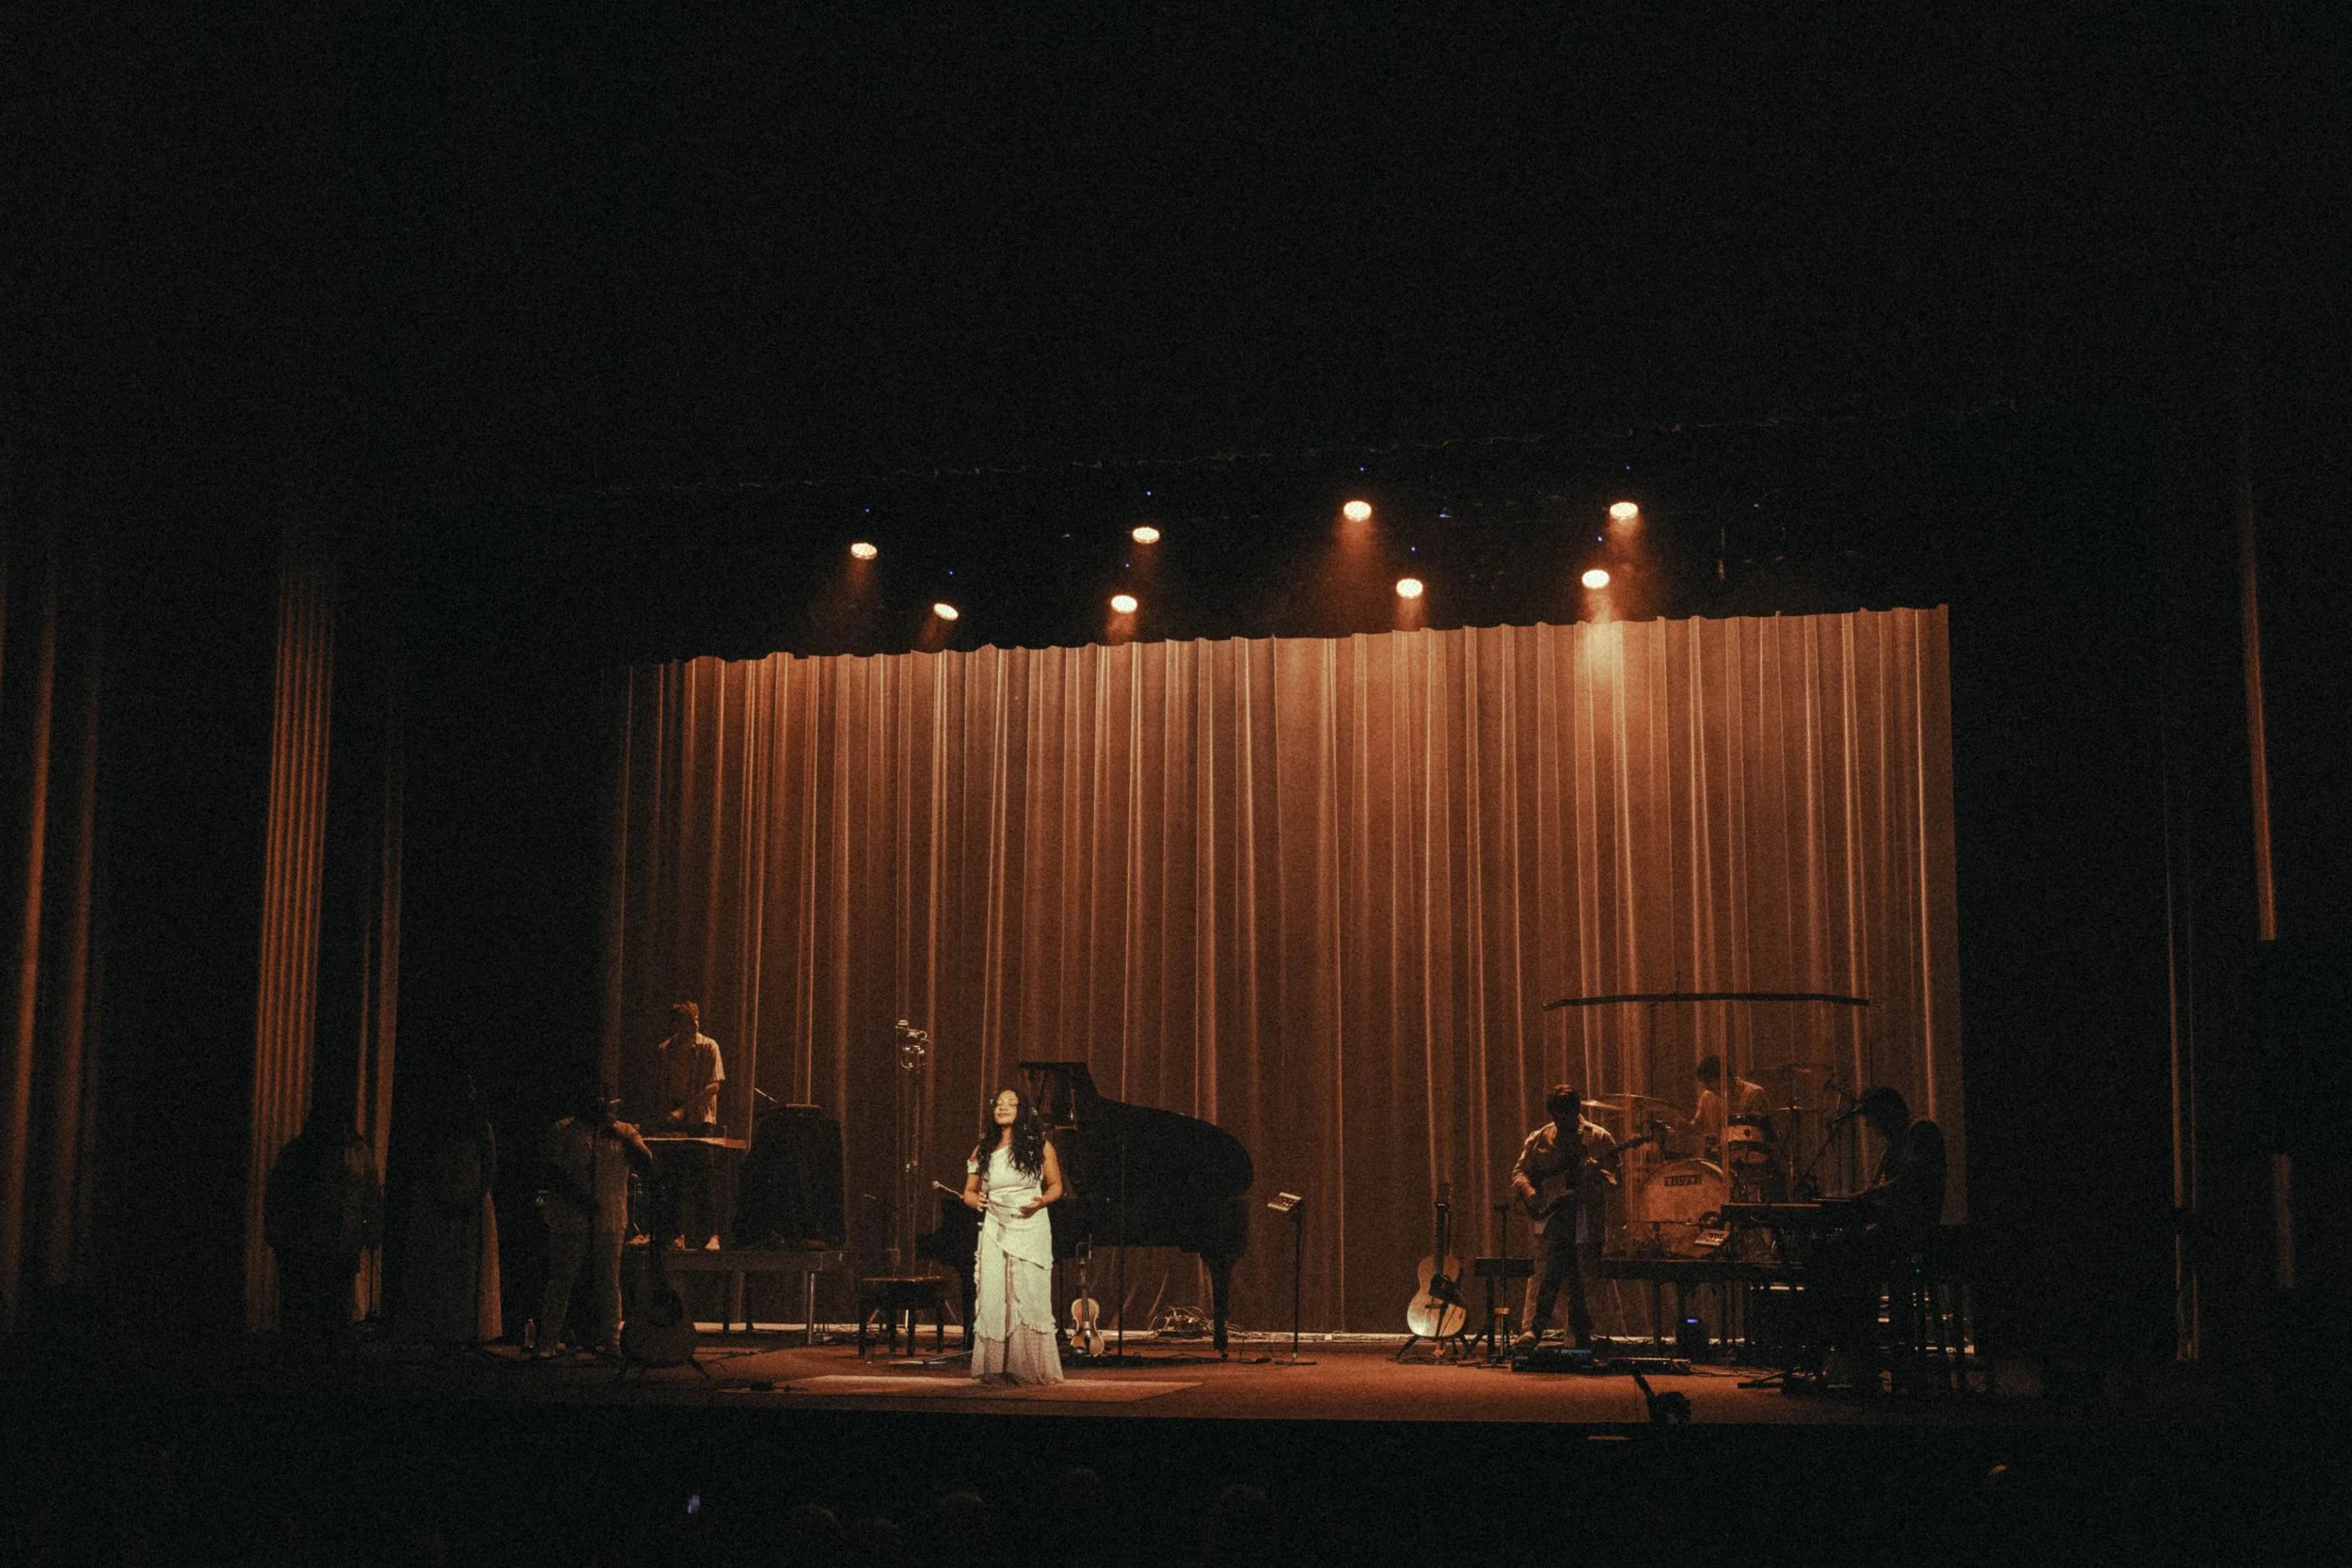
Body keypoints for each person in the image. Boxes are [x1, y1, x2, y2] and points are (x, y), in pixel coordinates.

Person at [1812, 1085, 1948, 1382]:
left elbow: (1909, 1182)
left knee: (1843, 1252)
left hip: (1912, 1235)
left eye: (1874, 1120)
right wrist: (1859, 1198)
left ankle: (1857, 1351)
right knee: (1831, 1249)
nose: (1872, 1129)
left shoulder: (1920, 1132)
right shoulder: (1896, 1142)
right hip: (1893, 1233)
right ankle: (1849, 1347)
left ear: (1889, 1112)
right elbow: (1879, 1191)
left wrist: (1862, 1198)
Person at [535, 1084, 654, 1358]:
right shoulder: (563, 1130)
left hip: (610, 1217)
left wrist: (623, 1138)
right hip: (570, 1217)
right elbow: (552, 1172)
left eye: (602, 1098)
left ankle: (613, 1342)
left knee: (609, 1281)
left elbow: (647, 1162)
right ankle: (547, 1342)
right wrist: (577, 1197)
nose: (598, 1103)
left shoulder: (623, 1131)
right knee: (561, 1280)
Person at [960, 1086, 1064, 1384]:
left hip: (1030, 1223)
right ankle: (997, 1367)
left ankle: (1029, 1368)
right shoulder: (983, 1149)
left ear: (1022, 1110)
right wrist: (972, 1200)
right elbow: (969, 1190)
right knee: (996, 1293)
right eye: (998, 1104)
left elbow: (1056, 1186)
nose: (1003, 1107)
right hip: (995, 1225)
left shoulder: (1039, 1146)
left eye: (1010, 1103)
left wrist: (1040, 1202)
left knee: (1027, 1294)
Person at [262, 1103, 384, 1358]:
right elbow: (280, 1195)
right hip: (308, 1244)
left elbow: (370, 1194)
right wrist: (280, 1234)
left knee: (337, 1305)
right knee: (306, 1308)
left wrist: (372, 1229)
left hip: (342, 1241)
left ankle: (330, 1357)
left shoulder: (358, 1153)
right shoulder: (302, 1153)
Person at [393, 1069, 501, 1348]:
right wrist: (439, 1195)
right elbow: (425, 1163)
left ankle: (465, 1331)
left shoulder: (480, 1127)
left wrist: (474, 1197)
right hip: (440, 1200)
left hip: (471, 1204)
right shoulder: (436, 1128)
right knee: (440, 1268)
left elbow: (489, 1167)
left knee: (466, 1272)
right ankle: (441, 1328)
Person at [1508, 1084, 1617, 1352]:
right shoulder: (1540, 1138)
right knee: (1547, 1274)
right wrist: (1531, 1193)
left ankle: (1579, 1334)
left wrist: (1598, 1175)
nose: (1561, 1122)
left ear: (1576, 1112)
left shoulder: (1599, 1139)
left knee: (1583, 1277)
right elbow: (1520, 1172)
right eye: (1557, 1117)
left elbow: (1614, 1182)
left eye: (1566, 1117)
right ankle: (1533, 1330)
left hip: (1584, 1216)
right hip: (1553, 1216)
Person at [653, 1001, 724, 1132]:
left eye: (696, 1019)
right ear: (677, 1025)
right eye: (688, 1022)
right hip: (672, 1117)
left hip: (700, 1119)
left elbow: (714, 1086)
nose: (695, 1025)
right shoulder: (666, 1049)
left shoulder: (709, 1046)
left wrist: (684, 1110)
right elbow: (662, 1086)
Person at [1681, 1053, 1768, 1157]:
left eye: (1715, 1088)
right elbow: (1697, 1123)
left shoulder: (1753, 1093)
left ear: (1725, 1077)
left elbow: (1759, 1132)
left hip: (1749, 1155)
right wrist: (1686, 1127)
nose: (1712, 1092)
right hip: (1720, 1155)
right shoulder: (1708, 1095)